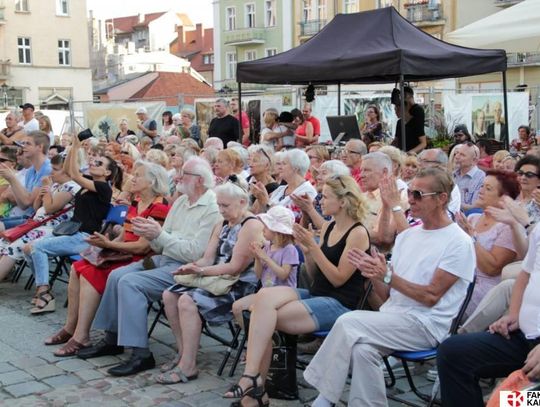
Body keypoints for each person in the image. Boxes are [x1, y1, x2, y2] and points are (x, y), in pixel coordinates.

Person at [305, 167, 475, 407]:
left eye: (418, 194)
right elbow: (387, 296)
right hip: (394, 317)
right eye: (411, 193)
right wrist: (373, 273)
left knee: (348, 321)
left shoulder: (459, 242)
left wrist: (386, 276)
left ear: (442, 198)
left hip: (426, 325)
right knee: (363, 350)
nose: (410, 200)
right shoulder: (408, 236)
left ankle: (322, 400)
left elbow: (430, 296)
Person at [224, 175, 371, 406]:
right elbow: (315, 276)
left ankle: (253, 385)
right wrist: (309, 253)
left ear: (343, 201)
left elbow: (339, 279)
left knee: (261, 317)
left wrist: (314, 248)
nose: (320, 200)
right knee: (254, 302)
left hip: (340, 302)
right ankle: (254, 381)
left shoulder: (358, 233)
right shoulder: (331, 226)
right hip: (317, 293)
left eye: (326, 196)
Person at [77, 157, 221, 377]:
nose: (178, 177)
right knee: (116, 275)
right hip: (166, 259)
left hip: (187, 268)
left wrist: (159, 235)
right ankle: (113, 338)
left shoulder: (211, 208)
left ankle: (141, 353)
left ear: (199, 180)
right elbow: (161, 241)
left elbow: (195, 253)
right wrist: (151, 235)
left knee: (130, 283)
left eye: (184, 174)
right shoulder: (182, 201)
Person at [46, 161, 170, 356]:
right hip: (123, 252)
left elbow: (142, 246)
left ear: (152, 181)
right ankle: (71, 327)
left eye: (138, 175)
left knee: (89, 273)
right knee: (77, 267)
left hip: (140, 259)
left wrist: (109, 245)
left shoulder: (159, 206)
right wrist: (106, 243)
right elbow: (125, 235)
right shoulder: (138, 201)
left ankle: (81, 335)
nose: (133, 178)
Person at [155, 176, 263, 384]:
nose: (221, 210)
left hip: (237, 284)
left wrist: (201, 271)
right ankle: (183, 351)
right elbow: (207, 257)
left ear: (242, 202)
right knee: (169, 294)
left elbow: (235, 267)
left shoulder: (251, 226)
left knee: (187, 300)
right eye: (219, 205)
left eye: (225, 205)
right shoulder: (222, 222)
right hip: (215, 276)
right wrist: (193, 267)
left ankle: (188, 365)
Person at [437, 224, 540, 407]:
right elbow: (525, 275)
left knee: (508, 402)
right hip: (525, 338)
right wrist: (515, 314)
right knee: (452, 352)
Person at [22, 133, 120, 314]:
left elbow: (73, 173)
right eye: (93, 161)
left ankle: (44, 293)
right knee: (27, 248)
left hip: (85, 237)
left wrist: (75, 146)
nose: (93, 163)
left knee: (37, 248)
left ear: (107, 173)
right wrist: (75, 147)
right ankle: (43, 287)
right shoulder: (88, 182)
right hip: (71, 232)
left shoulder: (103, 188)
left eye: (99, 164)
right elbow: (69, 169)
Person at [0, 154, 79, 282]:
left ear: (68, 172)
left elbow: (49, 209)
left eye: (56, 169)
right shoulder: (55, 184)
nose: (51, 172)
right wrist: (39, 196)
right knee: (4, 241)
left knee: (13, 247)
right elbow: (38, 208)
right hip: (37, 223)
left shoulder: (72, 187)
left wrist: (47, 190)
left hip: (53, 228)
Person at [456, 170, 519, 317]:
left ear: (504, 198)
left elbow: (492, 268)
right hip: (460, 277)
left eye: (488, 188)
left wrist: (471, 237)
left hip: (482, 288)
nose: (481, 190)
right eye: (482, 186)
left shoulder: (508, 227)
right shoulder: (473, 218)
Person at [231, 206, 299, 326]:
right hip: (265, 292)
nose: (263, 230)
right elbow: (258, 275)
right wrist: (257, 257)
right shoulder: (268, 246)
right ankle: (260, 338)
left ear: (277, 231)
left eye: (266, 227)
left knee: (254, 310)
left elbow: (283, 275)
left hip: (284, 294)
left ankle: (265, 337)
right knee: (237, 307)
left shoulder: (289, 249)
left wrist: (265, 258)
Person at [0, 131, 52, 229]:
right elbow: (23, 205)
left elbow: (28, 202)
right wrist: (11, 179)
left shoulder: (48, 169)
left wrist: (12, 178)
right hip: (25, 217)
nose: (23, 147)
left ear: (40, 147)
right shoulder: (30, 171)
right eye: (23, 143)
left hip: (39, 221)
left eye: (28, 143)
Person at [254, 149, 317, 222]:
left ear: (295, 168)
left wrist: (266, 202)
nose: (280, 167)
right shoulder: (280, 189)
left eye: (284, 164)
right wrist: (260, 199)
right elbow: (261, 215)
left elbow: (288, 221)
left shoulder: (307, 191)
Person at [293, 159, 350, 231]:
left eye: (324, 173)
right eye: (318, 173)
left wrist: (310, 209)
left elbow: (329, 230)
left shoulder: (341, 197)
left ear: (338, 177)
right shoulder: (319, 196)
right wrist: (305, 213)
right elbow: (302, 229)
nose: (318, 177)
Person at [392, 86, 427, 153]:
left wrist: (410, 153)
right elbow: (396, 140)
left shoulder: (417, 112)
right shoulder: (399, 123)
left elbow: (423, 142)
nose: (396, 112)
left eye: (398, 109)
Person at [453, 143, 486, 211]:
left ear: (474, 161)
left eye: (462, 155)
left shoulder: (481, 178)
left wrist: (451, 204)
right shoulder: (452, 174)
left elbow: (475, 207)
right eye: (457, 153)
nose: (456, 157)